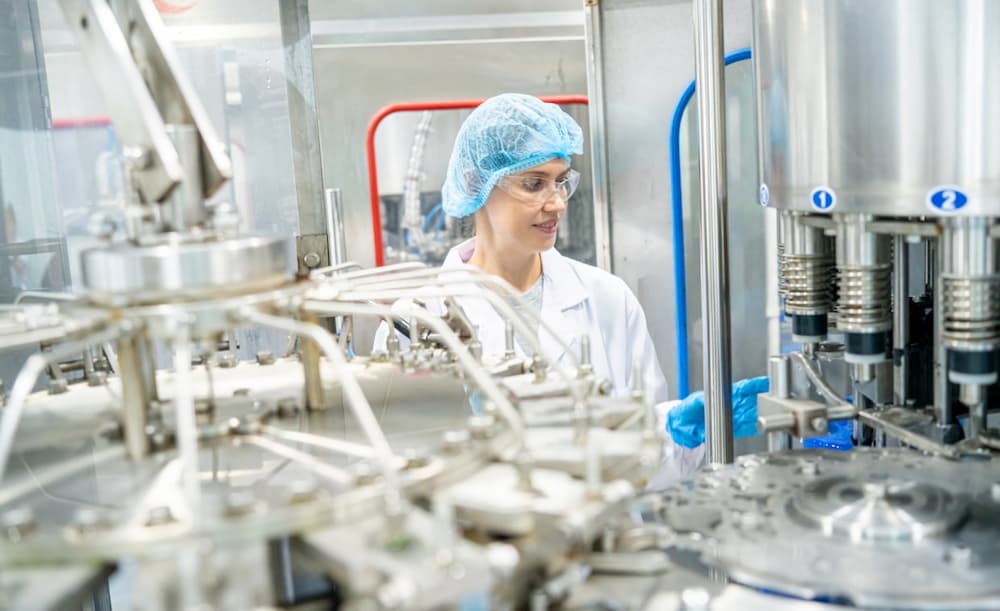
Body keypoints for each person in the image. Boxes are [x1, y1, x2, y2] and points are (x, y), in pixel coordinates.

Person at [373, 93, 762, 485]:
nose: (557, 203)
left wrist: (678, 431)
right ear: (477, 183)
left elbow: (644, 454)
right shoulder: (415, 321)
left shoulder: (607, 297)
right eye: (534, 184)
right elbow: (400, 473)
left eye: (561, 181)